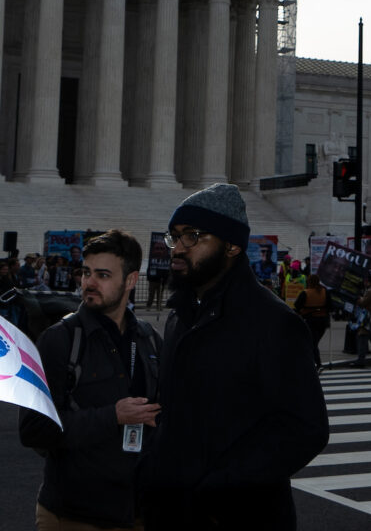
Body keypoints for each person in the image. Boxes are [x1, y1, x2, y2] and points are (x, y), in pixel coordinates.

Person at [137, 184, 328, 530]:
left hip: (238, 516)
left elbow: (305, 429)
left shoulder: (274, 323)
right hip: (173, 510)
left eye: (192, 237)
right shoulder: (180, 316)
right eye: (174, 237)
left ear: (232, 245)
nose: (177, 249)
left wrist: (219, 489)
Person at [19, 229, 162, 530]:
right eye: (86, 273)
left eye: (103, 275)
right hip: (74, 516)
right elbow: (34, 430)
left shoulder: (149, 339)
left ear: (131, 280)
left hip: (137, 511)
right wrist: (112, 416)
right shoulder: (59, 340)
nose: (89, 283)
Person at [293, 274, 332, 368]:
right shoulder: (324, 292)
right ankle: (314, 361)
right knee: (314, 342)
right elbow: (330, 306)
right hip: (323, 321)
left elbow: (297, 305)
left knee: (312, 343)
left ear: (309, 282)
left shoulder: (305, 293)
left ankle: (317, 363)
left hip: (311, 320)